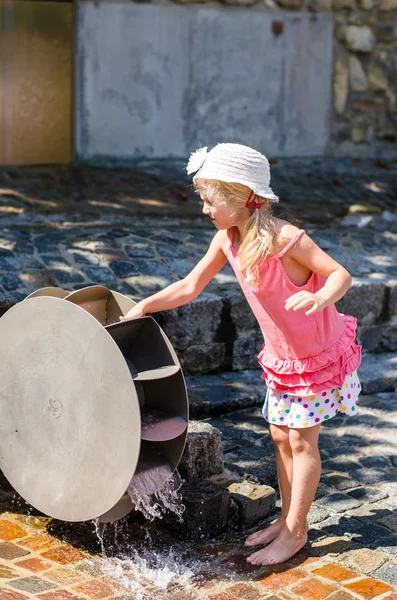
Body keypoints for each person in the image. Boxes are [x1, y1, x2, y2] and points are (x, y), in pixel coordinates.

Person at [120, 143, 362, 565]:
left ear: (240, 198)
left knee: (302, 444)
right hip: (284, 357)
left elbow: (340, 274)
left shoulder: (287, 240)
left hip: (316, 357)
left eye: (210, 201)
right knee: (280, 437)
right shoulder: (226, 240)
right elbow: (191, 286)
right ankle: (287, 520)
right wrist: (146, 305)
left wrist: (321, 297)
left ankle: (295, 533)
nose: (204, 210)